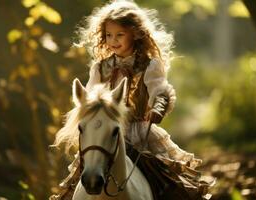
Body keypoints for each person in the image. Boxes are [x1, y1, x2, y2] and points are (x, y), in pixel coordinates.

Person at [50, 0, 214, 199]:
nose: (113, 40)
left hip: (139, 133)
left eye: (120, 35)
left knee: (167, 180)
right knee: (80, 175)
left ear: (135, 34)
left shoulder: (150, 65)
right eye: (109, 35)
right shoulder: (100, 68)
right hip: (105, 132)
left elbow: (160, 91)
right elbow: (92, 99)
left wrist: (157, 108)